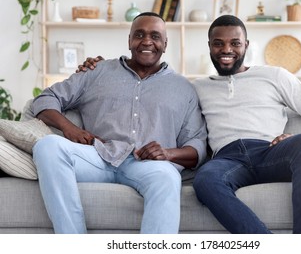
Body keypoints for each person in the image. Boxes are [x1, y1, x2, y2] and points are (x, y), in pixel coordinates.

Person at [79, 15, 301, 234]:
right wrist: (101, 67)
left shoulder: (274, 76)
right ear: (209, 47)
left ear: (246, 45)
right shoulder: (195, 88)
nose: (227, 50)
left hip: (269, 151)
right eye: (218, 43)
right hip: (227, 159)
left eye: (235, 43)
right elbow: (152, 88)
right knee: (205, 181)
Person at [31, 12, 207, 234]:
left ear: (165, 43)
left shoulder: (184, 89)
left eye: (155, 36)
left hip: (147, 166)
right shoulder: (97, 71)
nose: (146, 41)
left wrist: (168, 153)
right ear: (129, 40)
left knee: (167, 178)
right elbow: (45, 99)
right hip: (98, 156)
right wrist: (70, 129)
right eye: (139, 35)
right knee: (47, 146)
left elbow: (197, 145)